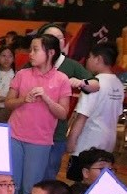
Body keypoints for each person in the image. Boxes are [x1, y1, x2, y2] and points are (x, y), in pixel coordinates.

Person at [5, 34, 72, 194]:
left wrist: (47, 99)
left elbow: (63, 113)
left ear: (50, 53)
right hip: (14, 136)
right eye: (31, 50)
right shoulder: (22, 74)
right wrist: (23, 99)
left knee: (31, 188)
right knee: (11, 185)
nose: (31, 54)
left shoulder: (62, 79)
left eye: (35, 50)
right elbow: (8, 103)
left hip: (40, 141)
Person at [36, 24, 98, 180]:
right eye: (51, 37)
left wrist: (81, 82)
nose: (56, 41)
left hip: (56, 132)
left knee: (49, 175)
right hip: (32, 129)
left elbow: (95, 85)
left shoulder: (71, 65)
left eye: (60, 38)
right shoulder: (33, 63)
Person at [66, 42, 125, 180]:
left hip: (87, 144)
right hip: (108, 142)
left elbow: (82, 116)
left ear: (98, 59)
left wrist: (71, 140)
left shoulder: (93, 84)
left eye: (90, 57)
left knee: (79, 185)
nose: (87, 61)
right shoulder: (118, 84)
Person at [0, 46, 16, 122]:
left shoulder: (17, 75)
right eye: (3, 56)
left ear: (13, 59)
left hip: (7, 109)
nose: (6, 59)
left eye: (10, 56)